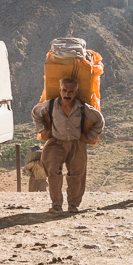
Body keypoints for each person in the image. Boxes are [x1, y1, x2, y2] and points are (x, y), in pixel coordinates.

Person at [31, 78, 104, 213]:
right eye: (64, 90)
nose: (67, 94)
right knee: (53, 173)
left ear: (76, 93)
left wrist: (89, 137)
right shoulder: (51, 105)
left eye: (70, 91)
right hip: (56, 143)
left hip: (77, 144)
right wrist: (43, 130)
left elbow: (99, 120)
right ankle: (56, 205)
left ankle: (73, 205)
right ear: (60, 91)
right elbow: (36, 113)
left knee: (77, 174)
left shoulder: (83, 108)